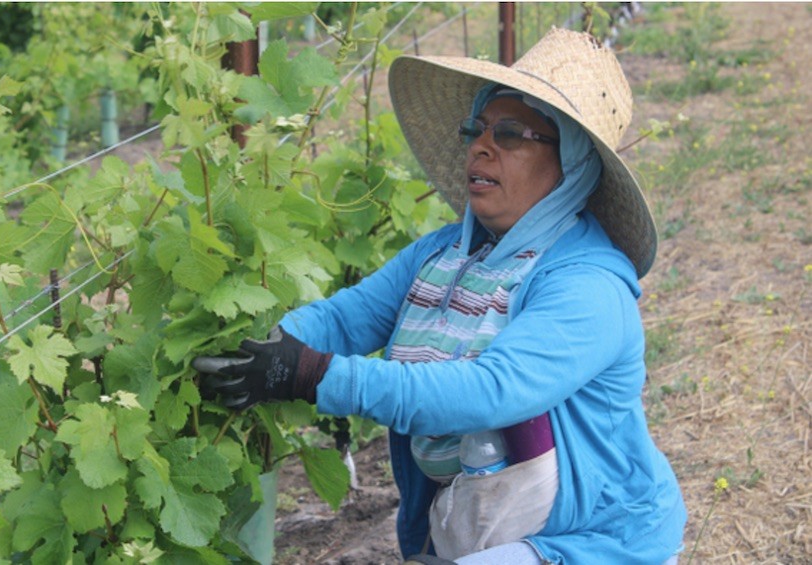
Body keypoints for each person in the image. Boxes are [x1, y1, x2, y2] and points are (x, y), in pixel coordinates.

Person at [193, 27, 686, 564]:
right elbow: (348, 318)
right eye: (477, 128)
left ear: (571, 163)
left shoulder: (587, 286)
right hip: (487, 518)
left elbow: (491, 390)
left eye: (513, 133)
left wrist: (313, 375)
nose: (481, 145)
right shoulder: (444, 254)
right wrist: (266, 348)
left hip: (595, 539)